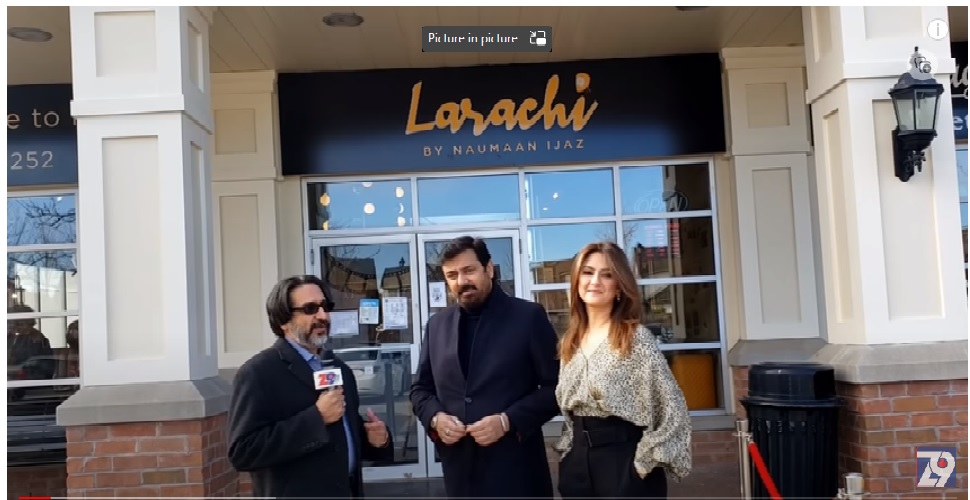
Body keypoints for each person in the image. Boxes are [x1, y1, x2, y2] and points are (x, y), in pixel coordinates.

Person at [410, 236, 560, 498]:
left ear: (488, 269)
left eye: (469, 270)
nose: (461, 281)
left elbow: (556, 388)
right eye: (452, 275)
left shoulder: (528, 317)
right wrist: (436, 417)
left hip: (517, 473)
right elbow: (420, 390)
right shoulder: (436, 326)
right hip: (460, 475)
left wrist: (507, 421)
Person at [228, 275, 394, 498]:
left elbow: (343, 434)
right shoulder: (258, 373)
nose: (323, 316)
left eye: (325, 306)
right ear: (283, 321)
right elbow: (243, 452)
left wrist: (375, 440)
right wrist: (317, 417)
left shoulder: (338, 368)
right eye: (310, 309)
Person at [554, 242, 692, 499]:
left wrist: (642, 466)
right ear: (576, 281)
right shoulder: (570, 342)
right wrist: (569, 455)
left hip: (623, 461)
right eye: (587, 272)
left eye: (607, 274)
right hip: (578, 464)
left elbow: (673, 409)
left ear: (619, 286)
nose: (595, 281)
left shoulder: (635, 339)